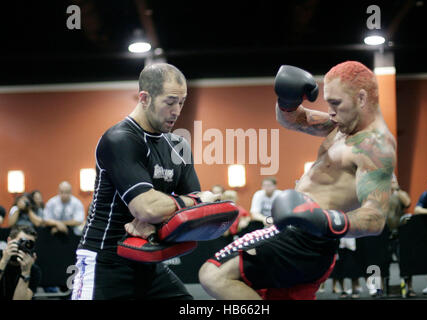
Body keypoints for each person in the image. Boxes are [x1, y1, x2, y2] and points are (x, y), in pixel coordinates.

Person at [199, 61, 396, 300]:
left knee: (213, 274)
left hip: (307, 243)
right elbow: (294, 119)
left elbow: (375, 219)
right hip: (296, 235)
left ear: (361, 98)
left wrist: (322, 219)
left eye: (336, 103)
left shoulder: (375, 146)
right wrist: (288, 100)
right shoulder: (342, 128)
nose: (331, 111)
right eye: (328, 103)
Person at [71, 63, 220, 300]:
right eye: (170, 102)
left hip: (150, 262)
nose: (177, 110)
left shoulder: (179, 146)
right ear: (145, 98)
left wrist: (164, 215)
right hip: (105, 262)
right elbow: (148, 207)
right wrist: (182, 204)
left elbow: (196, 215)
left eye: (181, 102)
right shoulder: (120, 139)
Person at [0, 225, 41, 300]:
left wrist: (25, 272)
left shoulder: (33, 270)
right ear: (9, 241)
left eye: (29, 244)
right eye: (21, 241)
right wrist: (3, 261)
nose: (24, 247)